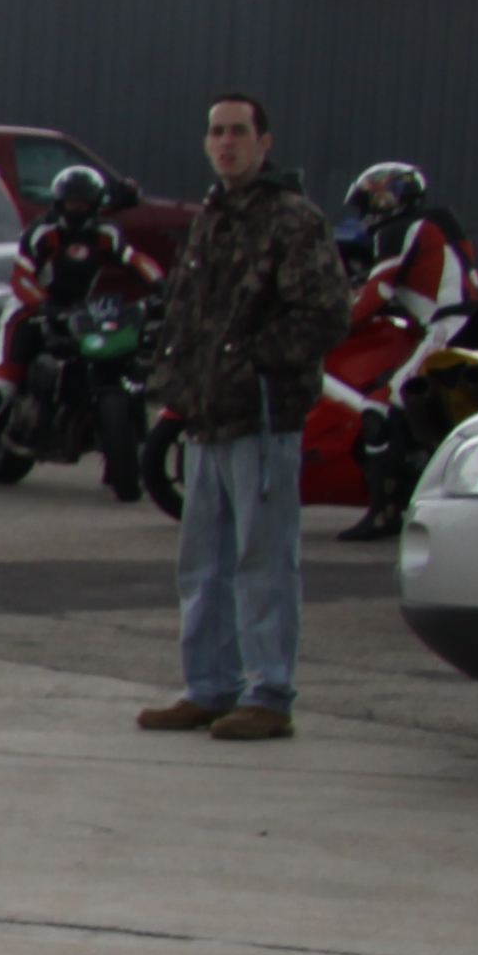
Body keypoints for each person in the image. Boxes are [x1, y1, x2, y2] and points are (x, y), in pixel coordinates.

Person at [141, 95, 344, 742]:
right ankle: (209, 686)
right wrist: (180, 377)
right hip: (207, 418)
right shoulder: (211, 219)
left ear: (264, 142)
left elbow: (324, 315)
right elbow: (189, 311)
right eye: (216, 132)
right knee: (202, 563)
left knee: (263, 561)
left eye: (238, 132)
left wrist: (249, 363)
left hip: (262, 419)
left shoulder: (294, 219)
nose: (226, 143)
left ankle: (269, 693)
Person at [0, 165, 164, 490]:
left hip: (80, 311)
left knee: (120, 365)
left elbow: (134, 259)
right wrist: (44, 305)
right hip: (28, 310)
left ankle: (121, 455)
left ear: (96, 204)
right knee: (4, 386)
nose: (77, 209)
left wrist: (160, 285)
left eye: (84, 204)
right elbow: (22, 276)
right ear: (59, 203)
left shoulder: (106, 232)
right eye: (72, 203)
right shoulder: (44, 231)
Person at [329, 162, 473, 542]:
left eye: (368, 203)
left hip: (450, 325)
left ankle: (385, 510)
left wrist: (328, 327)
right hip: (468, 321)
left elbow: (377, 291)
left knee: (378, 406)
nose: (365, 213)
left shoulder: (397, 231)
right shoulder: (437, 224)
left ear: (388, 200)